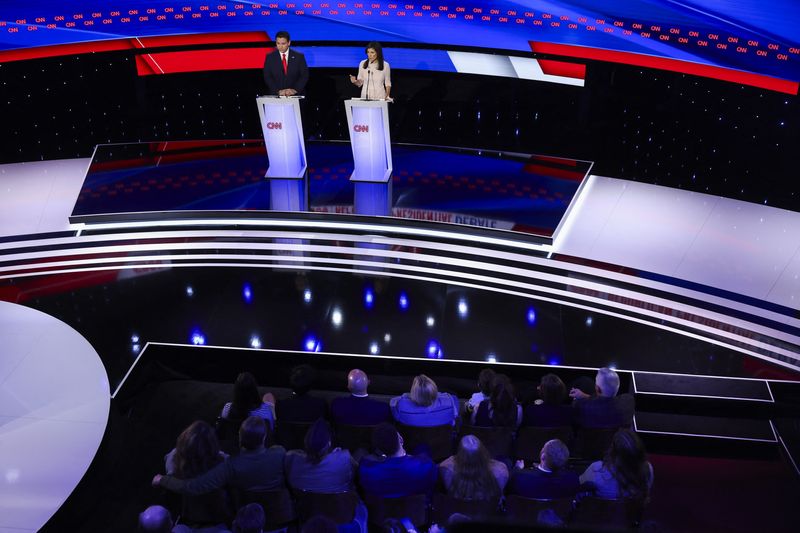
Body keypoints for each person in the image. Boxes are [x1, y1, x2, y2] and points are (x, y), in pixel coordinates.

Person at [154, 416, 286, 495]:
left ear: (240, 438)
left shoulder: (230, 466)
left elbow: (192, 487)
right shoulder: (280, 454)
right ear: (264, 438)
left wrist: (163, 480)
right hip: (279, 515)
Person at [161, 421, 230, 528]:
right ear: (211, 444)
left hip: (187, 513)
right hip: (214, 513)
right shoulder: (223, 463)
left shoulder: (172, 460)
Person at [357, 422, 437, 498]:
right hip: (417, 511)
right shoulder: (425, 466)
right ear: (401, 439)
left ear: (378, 450)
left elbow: (365, 459)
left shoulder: (367, 471)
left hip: (382, 512)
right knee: (422, 448)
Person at [579, 428, 654, 501]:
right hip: (631, 513)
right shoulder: (648, 470)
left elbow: (578, 489)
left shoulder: (596, 470)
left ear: (613, 450)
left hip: (597, 513)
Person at [285, 419, 357, 493]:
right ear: (329, 443)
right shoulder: (344, 458)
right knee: (361, 452)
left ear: (305, 442)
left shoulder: (292, 458)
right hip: (341, 503)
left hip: (303, 504)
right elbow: (356, 475)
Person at [439, 435, 508, 501]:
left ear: (460, 453)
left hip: (457, 511)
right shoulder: (501, 471)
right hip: (488, 512)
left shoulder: (445, 469)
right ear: (483, 451)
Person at [506, 439, 580, 499]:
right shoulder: (572, 480)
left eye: (543, 447)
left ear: (543, 457)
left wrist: (517, 468)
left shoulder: (520, 478)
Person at [570, 367, 635, 428]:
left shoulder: (581, 405)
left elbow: (575, 411)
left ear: (597, 389)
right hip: (614, 436)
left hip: (588, 436)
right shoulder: (628, 402)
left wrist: (580, 398)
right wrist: (585, 396)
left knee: (584, 381)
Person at [390, 374, 459, 427]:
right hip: (440, 442)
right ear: (434, 391)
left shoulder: (401, 407)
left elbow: (392, 403)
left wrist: (406, 396)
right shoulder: (451, 402)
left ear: (413, 393)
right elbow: (455, 418)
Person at [263, 30, 309, 96]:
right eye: (278, 43)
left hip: (295, 95)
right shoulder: (270, 57)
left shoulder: (299, 57)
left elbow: (304, 75)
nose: (280, 46)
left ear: (289, 43)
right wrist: (277, 91)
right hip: (276, 95)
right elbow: (267, 76)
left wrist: (295, 90)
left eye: (283, 43)